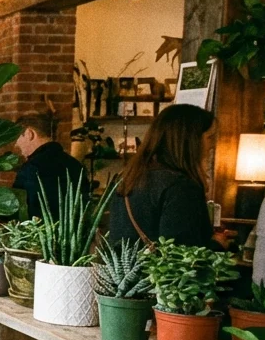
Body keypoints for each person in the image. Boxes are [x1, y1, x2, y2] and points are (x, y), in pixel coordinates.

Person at [107, 104, 216, 248]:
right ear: (190, 140)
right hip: (154, 264)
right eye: (210, 137)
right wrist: (218, 244)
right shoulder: (181, 187)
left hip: (122, 263)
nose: (212, 145)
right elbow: (182, 251)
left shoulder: (128, 178)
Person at [12, 112, 87, 220]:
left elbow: (18, 212)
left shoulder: (31, 168)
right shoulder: (76, 165)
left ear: (29, 133)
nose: (16, 144)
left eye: (17, 138)